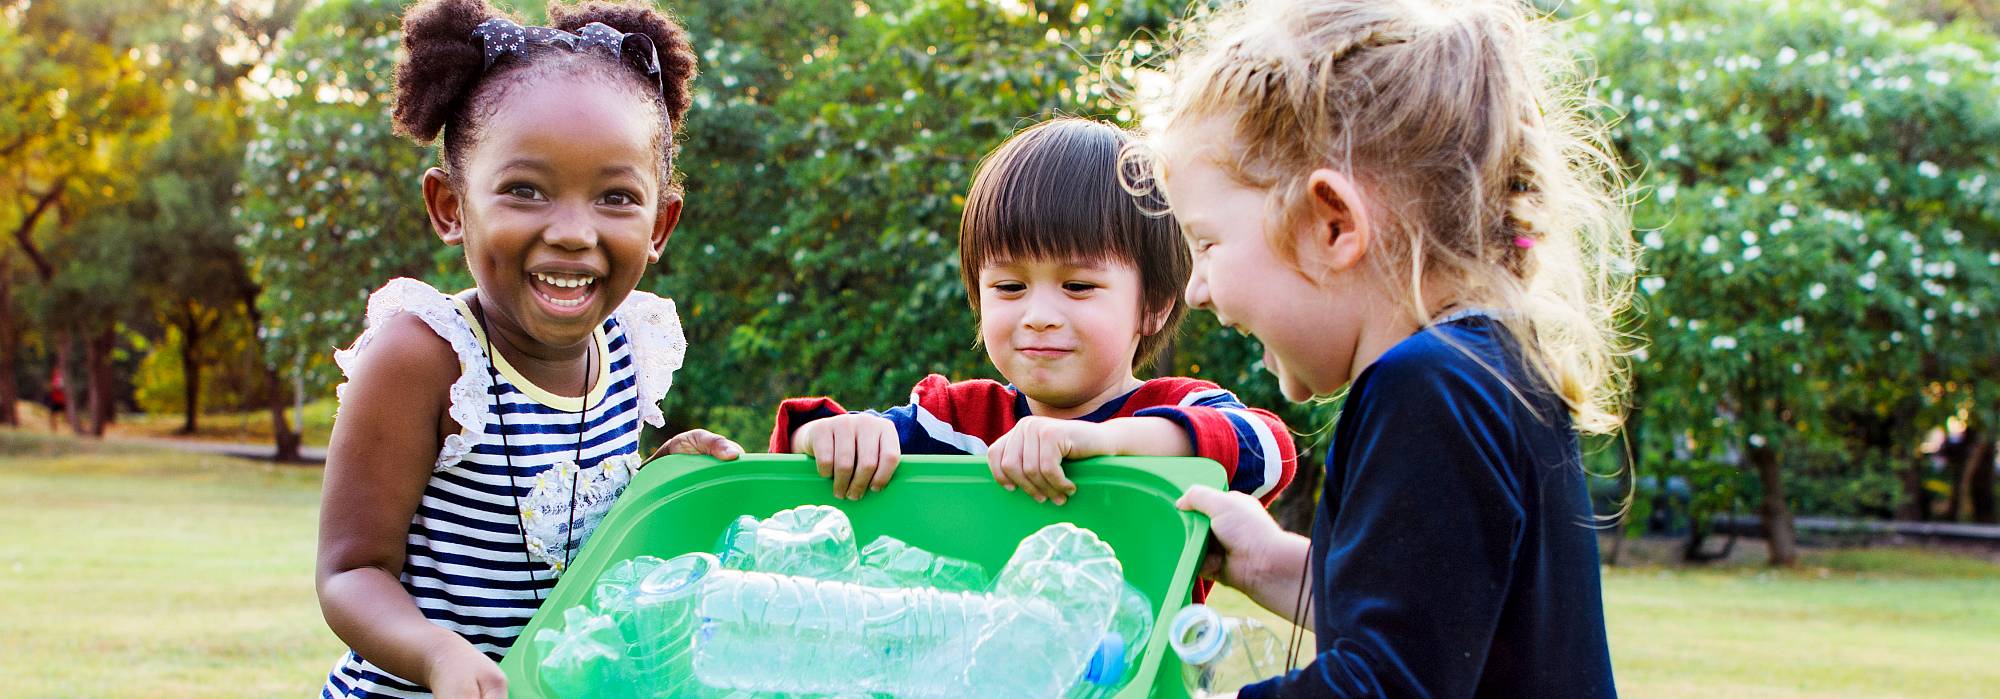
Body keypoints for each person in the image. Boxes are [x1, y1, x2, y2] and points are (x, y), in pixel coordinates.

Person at [1146, 0, 1637, 696]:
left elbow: (1385, 683)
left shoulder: (1427, 386)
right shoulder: (1486, 371)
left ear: (1332, 224)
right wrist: (1267, 562)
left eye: (1208, 243)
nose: (1196, 288)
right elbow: (1431, 624)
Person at [316, 2, 741, 697]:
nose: (573, 231)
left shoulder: (632, 349)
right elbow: (349, 571)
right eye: (524, 190)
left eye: (615, 197)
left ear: (661, 222)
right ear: (451, 206)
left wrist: (655, 489)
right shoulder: (426, 357)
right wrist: (436, 653)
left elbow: (573, 552)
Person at [769, 118, 1296, 516]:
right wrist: (834, 436)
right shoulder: (957, 425)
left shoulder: (1176, 408)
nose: (1039, 315)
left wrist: (1105, 442)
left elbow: (1270, 451)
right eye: (1010, 287)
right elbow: (798, 453)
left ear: (1155, 304)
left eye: (1078, 286)